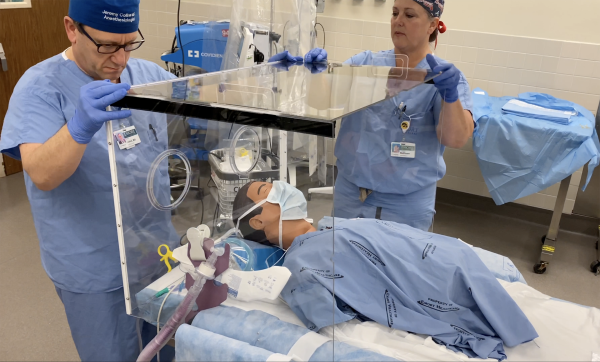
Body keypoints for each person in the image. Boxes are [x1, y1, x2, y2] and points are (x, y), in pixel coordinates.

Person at [0, 0, 178, 360]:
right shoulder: (39, 87)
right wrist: (78, 127)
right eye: (107, 45)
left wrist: (272, 79)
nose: (120, 59)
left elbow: (208, 111)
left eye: (129, 44)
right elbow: (42, 173)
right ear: (71, 28)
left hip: (158, 255)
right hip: (95, 267)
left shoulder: (147, 75)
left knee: (168, 350)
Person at [232, 181, 538, 361]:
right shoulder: (297, 266)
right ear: (258, 222)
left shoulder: (331, 224)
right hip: (442, 280)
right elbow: (340, 324)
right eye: (266, 189)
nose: (280, 186)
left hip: (447, 256)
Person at [280, 0, 474, 231]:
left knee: (399, 264)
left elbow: (455, 139)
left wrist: (450, 96)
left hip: (406, 203)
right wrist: (316, 72)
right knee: (344, 259)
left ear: (432, 25)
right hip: (351, 194)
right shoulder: (366, 65)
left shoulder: (443, 77)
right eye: (394, 13)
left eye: (409, 15)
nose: (398, 20)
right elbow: (321, 102)